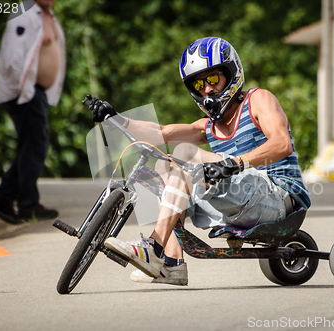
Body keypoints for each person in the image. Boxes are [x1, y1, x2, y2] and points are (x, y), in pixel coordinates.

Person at [91, 37, 311, 285]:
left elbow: (282, 144)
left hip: (278, 198)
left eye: (213, 79)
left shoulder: (258, 100)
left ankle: (152, 247)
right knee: (163, 165)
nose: (207, 89)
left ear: (231, 73)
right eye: (199, 84)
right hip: (240, 199)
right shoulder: (208, 127)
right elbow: (160, 132)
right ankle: (171, 262)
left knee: (185, 153)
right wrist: (116, 118)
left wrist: (235, 163)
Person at [0, 0, 65, 223]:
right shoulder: (24, 14)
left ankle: (4, 198)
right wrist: (24, 90)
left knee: (31, 147)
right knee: (35, 146)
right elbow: (13, 56)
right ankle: (26, 203)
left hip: (35, 92)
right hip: (25, 92)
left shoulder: (48, 16)